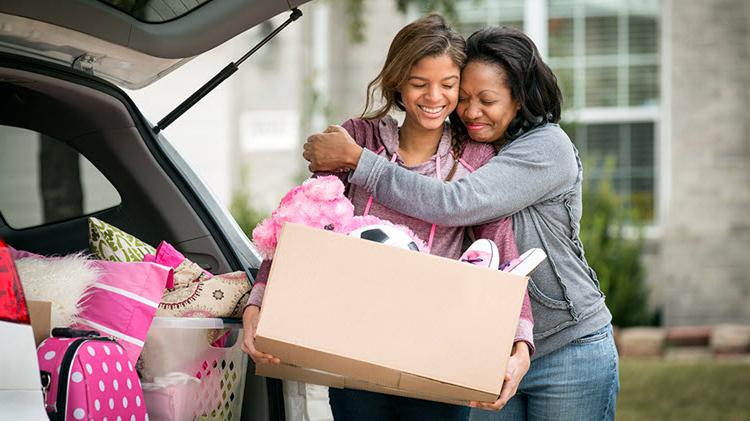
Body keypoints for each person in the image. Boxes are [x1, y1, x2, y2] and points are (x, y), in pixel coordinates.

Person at [303, 26, 620, 420]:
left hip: (566, 347)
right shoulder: (474, 148)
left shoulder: (546, 148)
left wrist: (358, 160)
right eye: (465, 97)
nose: (470, 111)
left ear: (520, 100)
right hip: (490, 345)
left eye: (487, 100)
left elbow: (455, 203)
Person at [243, 15, 535, 421]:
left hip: (437, 359)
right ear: (397, 81)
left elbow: (504, 253)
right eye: (419, 83)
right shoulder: (358, 140)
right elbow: (303, 221)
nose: (434, 97)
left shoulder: (475, 158)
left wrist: (520, 346)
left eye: (448, 85)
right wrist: (258, 303)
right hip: (351, 347)